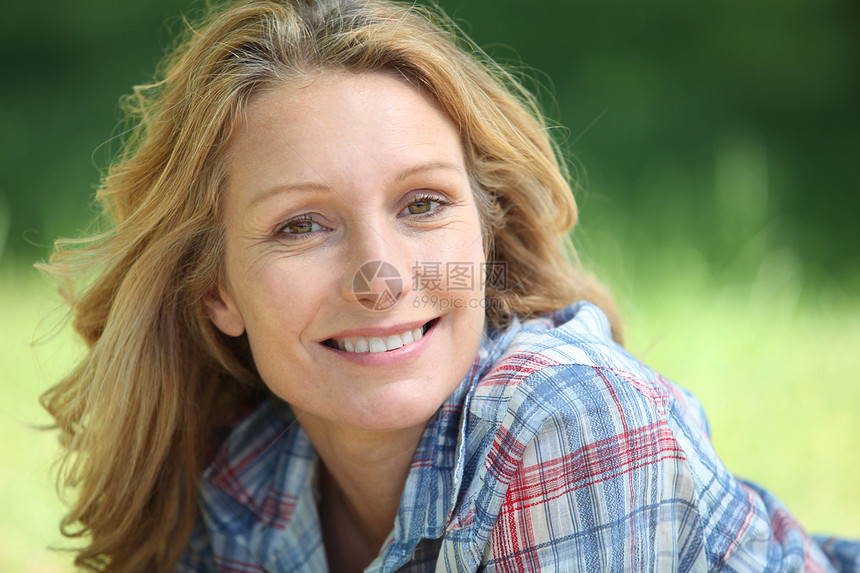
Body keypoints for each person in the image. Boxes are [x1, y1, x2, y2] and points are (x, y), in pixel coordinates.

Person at [39, 0, 859, 571]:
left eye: (422, 204)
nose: (382, 276)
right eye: (301, 225)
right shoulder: (244, 484)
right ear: (217, 290)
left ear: (486, 235)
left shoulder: (567, 418)